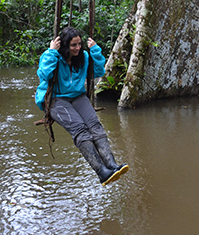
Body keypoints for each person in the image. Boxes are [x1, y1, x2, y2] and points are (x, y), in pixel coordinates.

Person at [35, 26, 129, 186]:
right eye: (73, 45)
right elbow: (44, 75)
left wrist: (95, 52)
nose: (77, 48)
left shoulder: (83, 56)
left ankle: (112, 165)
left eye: (79, 44)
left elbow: (99, 72)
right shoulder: (53, 56)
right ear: (65, 46)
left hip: (77, 96)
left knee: (95, 126)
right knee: (80, 129)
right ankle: (102, 172)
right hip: (56, 98)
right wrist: (51, 52)